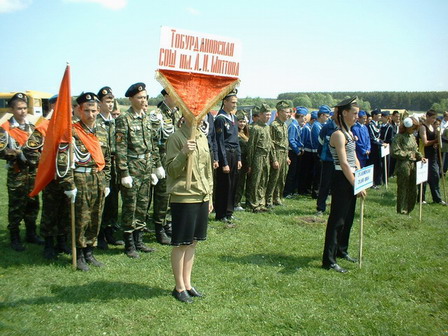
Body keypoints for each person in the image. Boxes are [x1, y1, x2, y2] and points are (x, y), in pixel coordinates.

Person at [58, 92, 111, 271]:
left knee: (96, 215)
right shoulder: (72, 131)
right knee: (81, 217)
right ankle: (79, 254)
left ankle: (90, 251)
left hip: (97, 177)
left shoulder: (102, 130)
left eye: (94, 110)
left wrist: (107, 181)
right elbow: (63, 160)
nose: (91, 114)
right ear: (80, 110)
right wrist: (69, 184)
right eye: (87, 110)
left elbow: (108, 158)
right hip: (79, 177)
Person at [165, 113, 213, 303]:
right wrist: (183, 152)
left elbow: (207, 169)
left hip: (201, 194)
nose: (199, 119)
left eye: (201, 116)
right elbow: (171, 170)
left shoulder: (202, 136)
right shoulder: (176, 138)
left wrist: (210, 195)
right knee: (181, 243)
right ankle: (178, 287)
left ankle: (187, 284)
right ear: (184, 115)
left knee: (193, 242)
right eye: (195, 115)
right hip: (184, 196)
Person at [115, 82, 160, 258]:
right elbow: (120, 149)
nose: (143, 100)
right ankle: (129, 244)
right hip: (132, 170)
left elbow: (153, 145)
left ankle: (139, 240)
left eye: (145, 97)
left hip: (146, 168)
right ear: (131, 99)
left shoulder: (147, 119)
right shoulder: (124, 119)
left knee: (142, 205)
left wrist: (156, 166)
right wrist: (124, 173)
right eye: (140, 97)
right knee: (130, 206)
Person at [322, 97, 365, 273]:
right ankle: (329, 260)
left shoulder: (349, 133)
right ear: (344, 113)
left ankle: (342, 250)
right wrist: (356, 184)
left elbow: (354, 158)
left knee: (348, 218)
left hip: (351, 177)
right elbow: (344, 162)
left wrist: (361, 177)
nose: (357, 116)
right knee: (337, 220)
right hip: (342, 178)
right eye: (354, 113)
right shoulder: (338, 134)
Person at [0, 92, 43, 251]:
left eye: (25, 108)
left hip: (32, 172)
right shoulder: (5, 128)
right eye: (19, 108)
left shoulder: (32, 127)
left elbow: (38, 147)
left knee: (33, 203)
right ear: (12, 109)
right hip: (17, 172)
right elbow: (1, 151)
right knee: (16, 206)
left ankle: (31, 234)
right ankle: (15, 237)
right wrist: (17, 154)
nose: (23, 111)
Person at [147, 88, 180, 245]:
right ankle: (159, 228)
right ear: (167, 95)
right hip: (163, 159)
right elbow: (152, 142)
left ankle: (169, 223)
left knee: (173, 193)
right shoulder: (157, 115)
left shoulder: (177, 113)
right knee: (162, 196)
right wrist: (156, 165)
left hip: (176, 159)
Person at [96, 86, 124, 249]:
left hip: (114, 168)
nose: (111, 103)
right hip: (101, 168)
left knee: (113, 202)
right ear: (99, 103)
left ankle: (109, 232)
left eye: (112, 100)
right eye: (107, 100)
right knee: (101, 202)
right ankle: (99, 235)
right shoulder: (96, 123)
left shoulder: (115, 122)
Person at [214, 89, 242, 225]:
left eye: (236, 102)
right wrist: (223, 162)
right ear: (225, 102)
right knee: (224, 185)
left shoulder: (234, 118)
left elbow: (236, 140)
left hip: (234, 154)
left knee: (233, 185)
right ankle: (220, 213)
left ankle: (229, 212)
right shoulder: (220, 118)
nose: (234, 105)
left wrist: (239, 158)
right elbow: (219, 142)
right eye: (232, 102)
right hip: (225, 154)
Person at [391, 117, 425, 214]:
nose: (414, 130)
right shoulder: (399, 137)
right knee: (403, 187)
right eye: (413, 127)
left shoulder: (412, 137)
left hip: (413, 165)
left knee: (413, 187)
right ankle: (401, 209)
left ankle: (409, 208)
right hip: (403, 165)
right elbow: (395, 152)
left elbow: (416, 150)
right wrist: (408, 154)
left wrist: (420, 156)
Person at [246, 104, 273, 212]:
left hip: (266, 156)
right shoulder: (255, 128)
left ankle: (261, 202)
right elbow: (251, 146)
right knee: (255, 180)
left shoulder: (267, 127)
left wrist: (272, 158)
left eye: (270, 115)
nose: (268, 117)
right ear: (261, 115)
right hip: (257, 156)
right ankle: (253, 203)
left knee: (264, 179)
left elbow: (270, 144)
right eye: (266, 114)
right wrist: (249, 163)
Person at [266, 101, 291, 207]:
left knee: (282, 178)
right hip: (276, 154)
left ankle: (277, 198)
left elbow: (285, 141)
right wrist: (274, 159)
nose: (289, 114)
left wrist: (287, 156)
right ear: (280, 112)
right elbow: (271, 143)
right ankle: (269, 200)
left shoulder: (285, 125)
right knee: (274, 178)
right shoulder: (273, 125)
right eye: (287, 112)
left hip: (284, 154)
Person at [418, 110, 445, 204]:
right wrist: (435, 141)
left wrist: (437, 143)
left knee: (435, 176)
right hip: (424, 155)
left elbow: (435, 140)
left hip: (433, 155)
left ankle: (437, 198)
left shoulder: (433, 127)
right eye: (432, 118)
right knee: (423, 178)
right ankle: (421, 198)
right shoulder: (422, 127)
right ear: (427, 116)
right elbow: (425, 142)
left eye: (435, 118)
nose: (434, 120)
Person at [316, 110, 337, 215]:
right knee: (325, 185)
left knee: (337, 186)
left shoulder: (345, 128)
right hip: (328, 160)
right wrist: (322, 155)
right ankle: (320, 208)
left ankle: (335, 208)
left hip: (340, 162)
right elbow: (320, 142)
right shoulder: (327, 128)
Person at [284, 107, 307, 197]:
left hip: (296, 151)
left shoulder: (296, 125)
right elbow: (291, 140)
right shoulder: (293, 126)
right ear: (300, 116)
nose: (304, 120)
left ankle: (292, 191)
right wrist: (297, 150)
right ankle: (287, 192)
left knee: (295, 172)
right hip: (292, 151)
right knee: (291, 173)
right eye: (304, 117)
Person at [310, 106, 331, 199]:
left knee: (321, 173)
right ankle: (316, 192)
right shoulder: (316, 126)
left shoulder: (321, 125)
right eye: (326, 116)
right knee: (318, 173)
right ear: (321, 115)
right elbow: (318, 141)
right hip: (317, 152)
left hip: (321, 152)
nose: (328, 118)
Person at [234, 110, 249, 211]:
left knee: (241, 182)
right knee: (237, 182)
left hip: (245, 160)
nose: (242, 124)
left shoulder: (245, 133)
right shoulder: (234, 133)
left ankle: (238, 201)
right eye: (240, 121)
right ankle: (235, 203)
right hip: (237, 160)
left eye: (244, 121)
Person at [367, 109, 386, 188]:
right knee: (373, 165)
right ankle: (372, 182)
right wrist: (381, 143)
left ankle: (377, 181)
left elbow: (378, 137)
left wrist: (382, 143)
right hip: (373, 148)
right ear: (374, 115)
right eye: (378, 115)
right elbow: (373, 138)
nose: (380, 117)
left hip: (378, 148)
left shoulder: (378, 124)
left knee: (378, 165)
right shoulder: (370, 125)